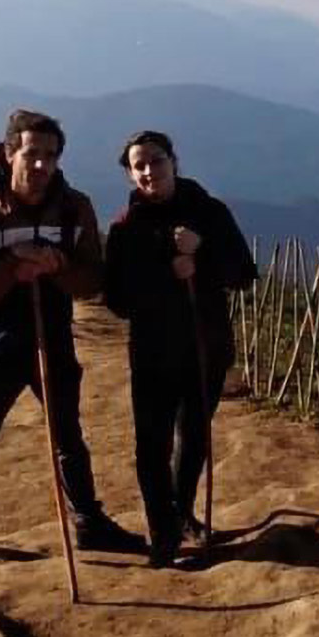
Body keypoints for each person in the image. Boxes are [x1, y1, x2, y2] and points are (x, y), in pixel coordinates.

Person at [0, 108, 129, 562]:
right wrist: (11, 268)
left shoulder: (75, 206)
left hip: (53, 336)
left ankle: (89, 523)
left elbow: (92, 279)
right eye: (32, 154)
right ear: (9, 152)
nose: (41, 165)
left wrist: (56, 268)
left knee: (68, 436)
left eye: (50, 156)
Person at [102, 129, 257, 567]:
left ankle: (181, 511)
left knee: (193, 436)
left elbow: (243, 272)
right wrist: (166, 271)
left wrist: (201, 255)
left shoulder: (210, 212)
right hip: (152, 350)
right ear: (131, 175)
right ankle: (163, 532)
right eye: (139, 165)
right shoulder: (124, 230)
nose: (149, 171)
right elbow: (116, 299)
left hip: (207, 344)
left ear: (174, 161)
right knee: (150, 444)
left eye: (156, 160)